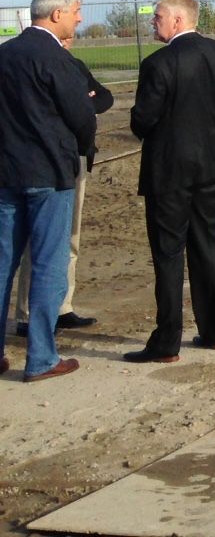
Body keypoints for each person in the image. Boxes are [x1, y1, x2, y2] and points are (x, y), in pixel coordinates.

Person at [124, 0, 215, 365]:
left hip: (169, 170)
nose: (153, 22)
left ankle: (167, 342)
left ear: (178, 20)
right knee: (208, 243)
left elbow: (142, 121)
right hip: (212, 164)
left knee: (168, 253)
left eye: (157, 16)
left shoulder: (158, 63)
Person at [0, 0, 99, 381]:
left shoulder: (5, 54)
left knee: (4, 263)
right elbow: (82, 115)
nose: (79, 18)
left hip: (7, 173)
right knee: (48, 264)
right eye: (77, 11)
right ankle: (41, 357)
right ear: (56, 14)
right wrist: (82, 149)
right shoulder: (55, 59)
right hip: (49, 174)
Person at [12, 52, 111, 338]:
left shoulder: (73, 65)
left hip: (74, 159)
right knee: (38, 240)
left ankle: (62, 306)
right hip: (40, 163)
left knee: (71, 236)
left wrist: (85, 101)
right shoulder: (32, 62)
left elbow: (104, 97)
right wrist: (80, 103)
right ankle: (29, 314)